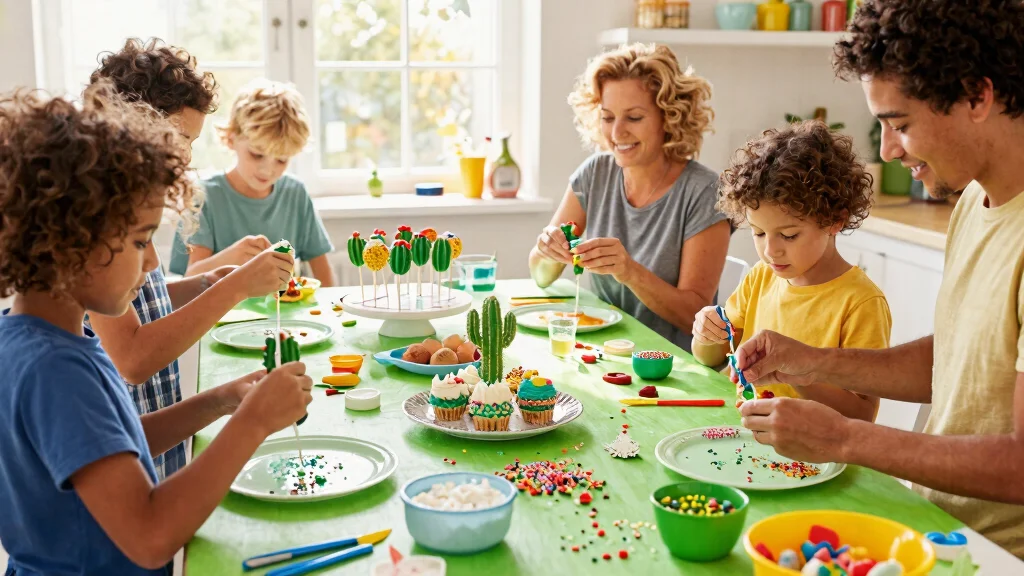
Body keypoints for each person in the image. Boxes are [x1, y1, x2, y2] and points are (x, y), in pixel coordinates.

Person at [736, 0, 1024, 557]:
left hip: (1000, 555)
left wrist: (844, 438)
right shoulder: (974, 200)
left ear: (977, 96)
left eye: (900, 124)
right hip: (937, 527)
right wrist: (812, 361)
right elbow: (962, 360)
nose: (888, 150)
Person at [0, 85, 312, 576]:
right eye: (140, 241)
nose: (151, 265)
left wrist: (221, 401)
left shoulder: (36, 338)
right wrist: (252, 423)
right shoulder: (54, 369)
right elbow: (150, 537)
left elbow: (115, 446)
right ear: (70, 241)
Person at [86, 39, 295, 481]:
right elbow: (132, 357)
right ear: (133, 125)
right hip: (121, 461)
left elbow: (144, 300)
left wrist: (206, 283)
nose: (186, 156)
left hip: (153, 436)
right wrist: (235, 288)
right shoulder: (97, 216)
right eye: (181, 139)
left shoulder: (131, 199)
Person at [529, 43, 731, 351]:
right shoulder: (595, 173)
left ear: (669, 117)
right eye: (608, 117)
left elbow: (695, 316)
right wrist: (548, 251)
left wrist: (629, 271)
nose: (616, 133)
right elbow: (540, 276)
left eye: (634, 118)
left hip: (668, 363)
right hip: (601, 352)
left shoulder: (703, 192)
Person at [692, 121, 889, 420]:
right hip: (741, 432)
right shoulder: (761, 276)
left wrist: (795, 373)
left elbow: (861, 413)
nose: (771, 251)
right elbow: (711, 358)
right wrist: (707, 334)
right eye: (759, 233)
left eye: (788, 235)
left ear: (835, 220)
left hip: (809, 444)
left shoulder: (860, 303)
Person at [169, 78, 336, 286]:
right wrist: (233, 255)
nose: (268, 170)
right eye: (256, 155)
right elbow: (190, 280)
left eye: (281, 160)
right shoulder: (204, 196)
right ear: (231, 138)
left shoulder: (295, 193)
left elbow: (325, 278)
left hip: (285, 306)